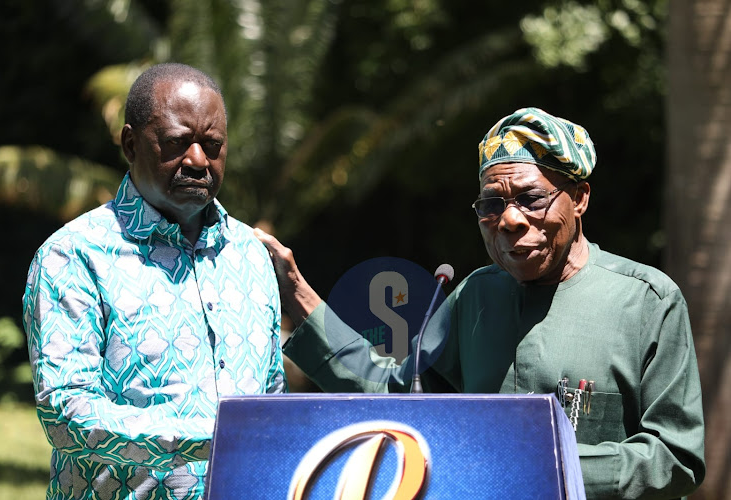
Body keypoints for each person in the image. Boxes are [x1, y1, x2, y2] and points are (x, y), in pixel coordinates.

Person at [256, 107, 706, 499]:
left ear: (580, 197)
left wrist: (544, 465)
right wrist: (297, 292)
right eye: (492, 204)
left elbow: (676, 458)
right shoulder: (476, 295)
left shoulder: (647, 302)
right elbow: (396, 394)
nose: (509, 220)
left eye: (531, 199)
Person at [22, 63, 286, 500]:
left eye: (213, 145)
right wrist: (206, 439)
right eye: (178, 143)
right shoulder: (75, 255)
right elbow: (66, 412)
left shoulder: (250, 254)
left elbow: (271, 395)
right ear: (130, 143)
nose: (198, 160)